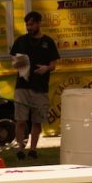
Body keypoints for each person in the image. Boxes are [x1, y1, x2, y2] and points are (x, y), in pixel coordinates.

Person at [10, 11, 59, 159]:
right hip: (22, 86)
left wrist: (46, 68)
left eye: (31, 24)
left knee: (37, 120)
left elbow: (53, 64)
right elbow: (13, 61)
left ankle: (33, 150)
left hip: (40, 87)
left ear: (38, 23)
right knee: (20, 120)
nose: (28, 27)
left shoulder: (48, 42)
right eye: (27, 24)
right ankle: (20, 149)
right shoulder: (20, 41)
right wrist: (19, 65)